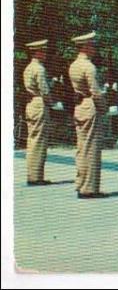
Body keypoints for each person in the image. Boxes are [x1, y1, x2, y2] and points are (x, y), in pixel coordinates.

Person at [68, 31, 108, 199]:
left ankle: (80, 183)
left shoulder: (74, 65)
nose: (94, 49)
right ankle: (89, 188)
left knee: (82, 147)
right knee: (91, 148)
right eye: (92, 46)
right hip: (89, 106)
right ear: (85, 47)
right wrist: (104, 107)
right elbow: (96, 93)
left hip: (79, 106)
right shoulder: (89, 67)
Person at [22, 39, 53, 186]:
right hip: (39, 103)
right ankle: (36, 176)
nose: (45, 54)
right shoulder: (39, 69)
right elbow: (45, 91)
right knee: (39, 141)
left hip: (30, 104)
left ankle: (33, 174)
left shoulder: (28, 68)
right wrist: (51, 103)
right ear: (38, 52)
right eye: (43, 51)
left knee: (32, 140)